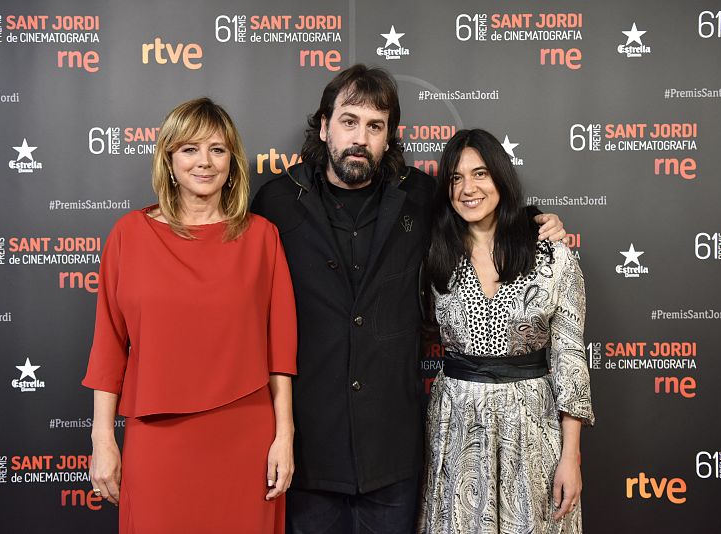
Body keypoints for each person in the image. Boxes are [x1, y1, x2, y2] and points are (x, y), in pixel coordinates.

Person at [251, 65, 567, 533]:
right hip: (308, 450)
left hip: (392, 455)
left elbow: (480, 216)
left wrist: (534, 223)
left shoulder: (421, 197)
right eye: (349, 121)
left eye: (375, 126)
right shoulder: (276, 202)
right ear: (324, 126)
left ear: (390, 136)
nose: (360, 137)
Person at [82, 97, 297, 533]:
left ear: (233, 162)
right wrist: (102, 438)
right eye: (190, 149)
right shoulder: (129, 235)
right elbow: (109, 347)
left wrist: (285, 436)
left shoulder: (262, 238)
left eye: (217, 150)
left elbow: (280, 353)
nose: (205, 162)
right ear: (168, 158)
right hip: (157, 439)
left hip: (245, 437)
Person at [418, 128, 594, 533]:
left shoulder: (550, 251)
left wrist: (571, 456)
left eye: (480, 174)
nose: (467, 189)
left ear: (501, 177)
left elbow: (569, 357)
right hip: (456, 425)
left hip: (532, 428)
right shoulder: (434, 252)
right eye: (456, 178)